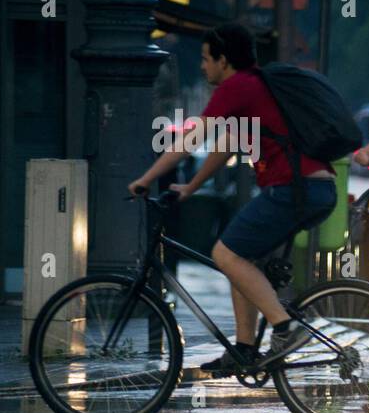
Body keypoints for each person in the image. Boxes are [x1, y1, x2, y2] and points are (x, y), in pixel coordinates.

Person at [128, 22, 337, 374]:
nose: (202, 66)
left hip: (296, 188)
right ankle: (244, 350)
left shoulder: (238, 85)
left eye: (207, 59)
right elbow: (226, 146)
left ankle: (285, 329)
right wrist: (191, 186)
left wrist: (146, 179)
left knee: (225, 253)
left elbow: (194, 138)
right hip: (311, 188)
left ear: (224, 60)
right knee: (241, 259)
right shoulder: (254, 88)